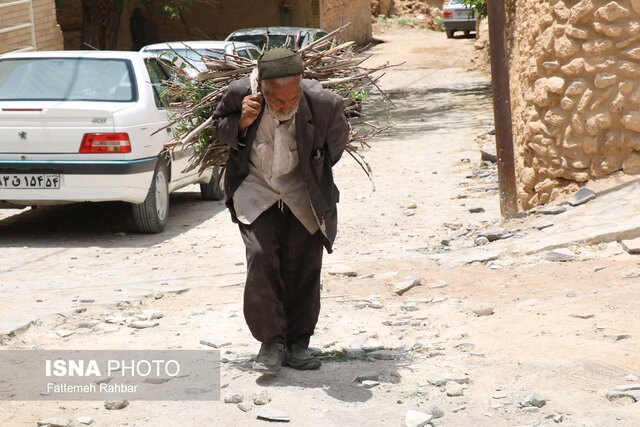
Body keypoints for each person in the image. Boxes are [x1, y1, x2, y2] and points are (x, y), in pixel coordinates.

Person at [211, 48, 349, 374]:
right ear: (261, 87)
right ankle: (270, 342)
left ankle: (298, 343)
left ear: (302, 83)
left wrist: (313, 168)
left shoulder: (324, 103)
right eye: (278, 101)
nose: (287, 106)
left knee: (304, 263)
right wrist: (240, 123)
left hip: (302, 191)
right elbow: (217, 127)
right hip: (255, 188)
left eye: (293, 99)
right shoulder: (240, 93)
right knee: (260, 257)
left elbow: (335, 146)